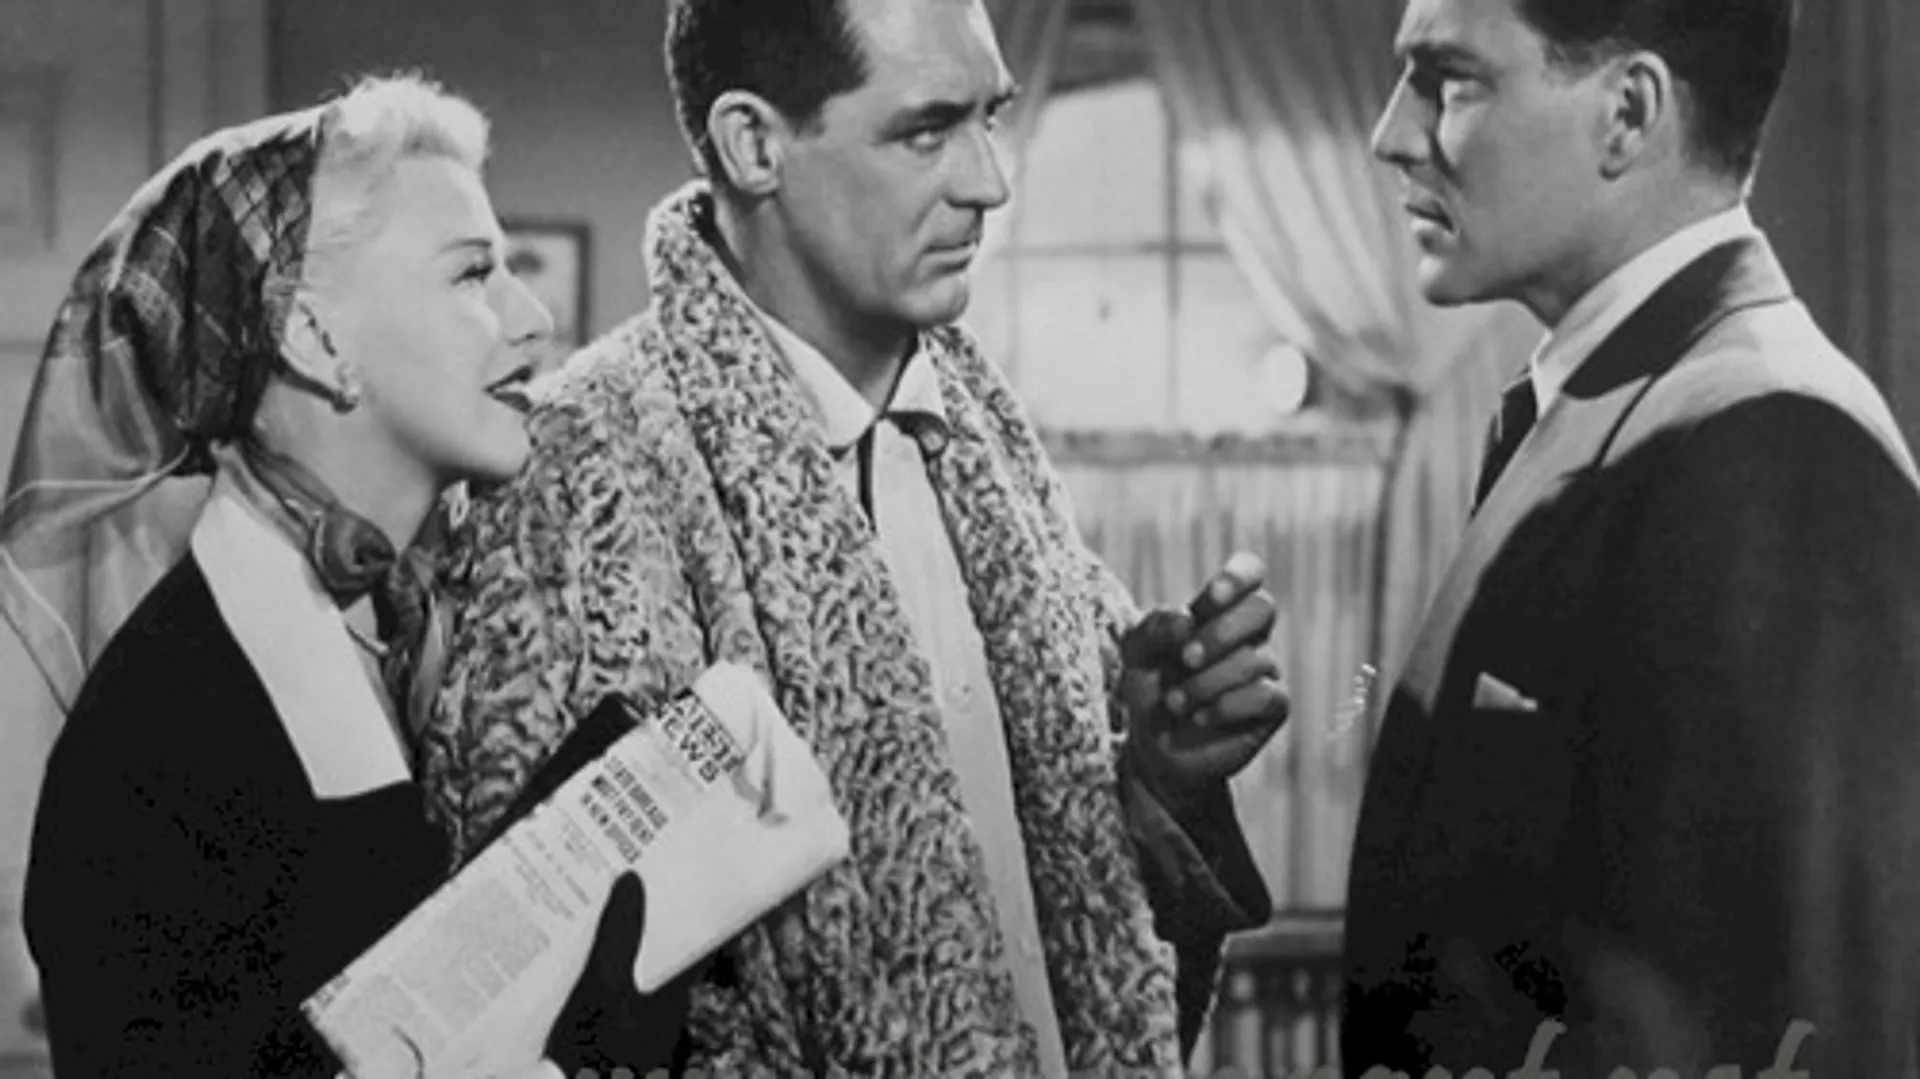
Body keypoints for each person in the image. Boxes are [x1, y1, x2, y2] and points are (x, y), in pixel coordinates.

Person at [420, 0, 1290, 1074]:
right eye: (926, 131)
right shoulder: (573, 472)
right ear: (754, 145)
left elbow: (1089, 937)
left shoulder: (996, 451)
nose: (990, 183)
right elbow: (518, 1013)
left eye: (989, 119)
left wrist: (1156, 775)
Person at [6, 75, 684, 1077]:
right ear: (314, 337)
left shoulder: (404, 634)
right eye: (472, 274)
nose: (535, 318)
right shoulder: (161, 734)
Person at [1343, 0, 1920, 1074]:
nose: (1392, 133)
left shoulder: (1773, 444)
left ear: (1629, 113)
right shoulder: (1616, 406)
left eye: (1451, 80)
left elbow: (1799, 1027)